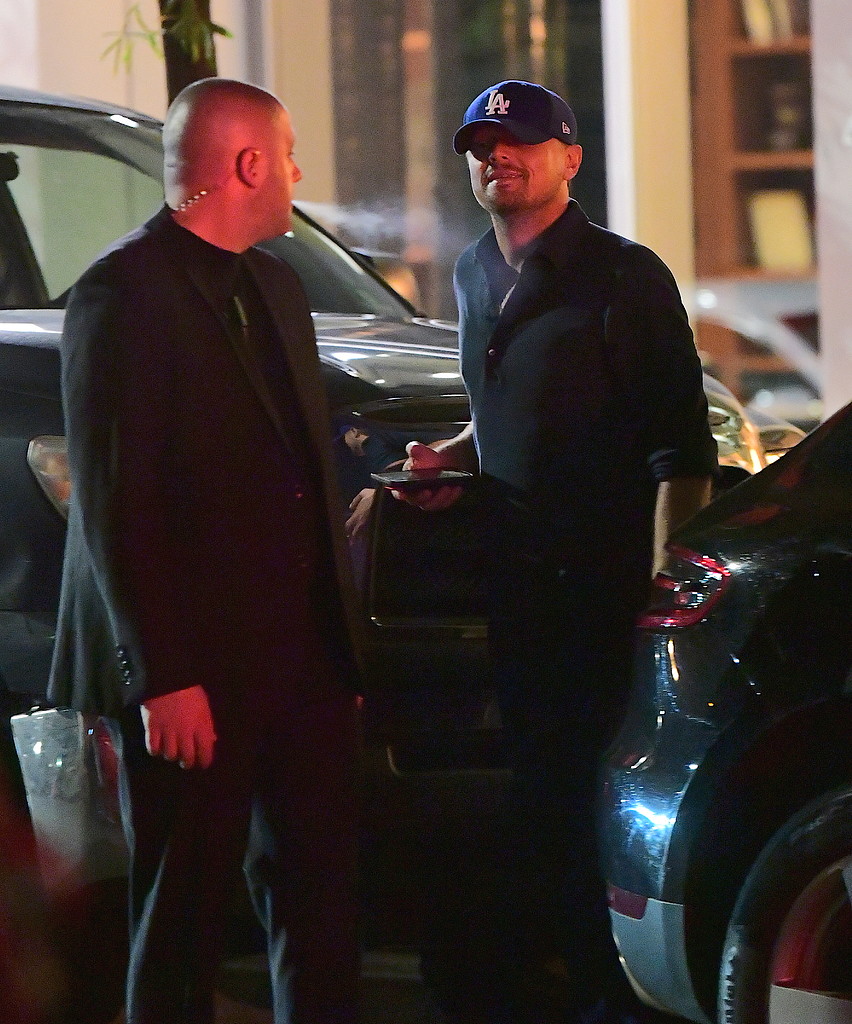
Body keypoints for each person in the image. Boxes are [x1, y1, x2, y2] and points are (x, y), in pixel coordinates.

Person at [400, 81, 718, 1023]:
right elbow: (502, 412)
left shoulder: (625, 276)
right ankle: (566, 983)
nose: (496, 157)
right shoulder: (471, 272)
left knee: (603, 799)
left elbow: (681, 451)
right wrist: (450, 458)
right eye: (481, 145)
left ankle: (622, 996)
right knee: (540, 795)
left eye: (521, 142)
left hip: (605, 596)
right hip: (516, 588)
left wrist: (660, 593)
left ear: (571, 158)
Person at [47, 78, 364, 1024]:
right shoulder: (121, 293)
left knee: (320, 906)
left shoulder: (278, 285)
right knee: (182, 914)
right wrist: (165, 677)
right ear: (250, 165)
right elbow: (117, 500)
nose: (299, 173)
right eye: (289, 155)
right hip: (196, 674)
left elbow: (299, 469)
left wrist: (338, 650)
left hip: (300, 663)